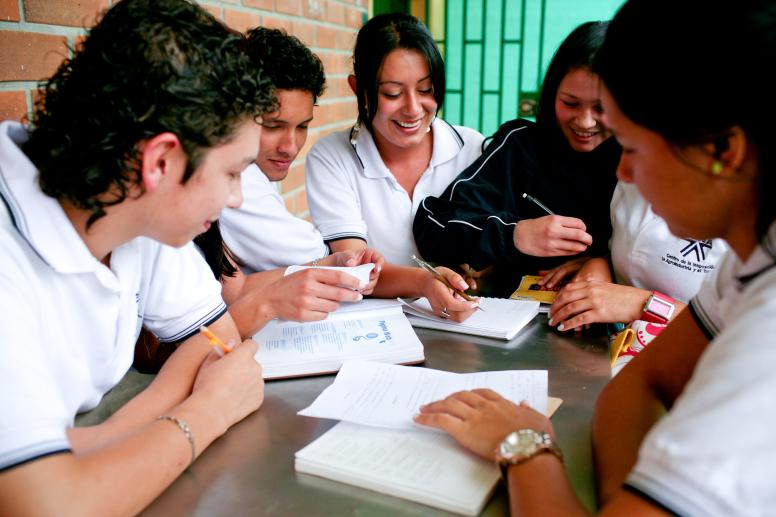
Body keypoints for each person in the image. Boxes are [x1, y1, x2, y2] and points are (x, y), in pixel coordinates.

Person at [414, 0, 776, 514]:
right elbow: (636, 385)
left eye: (631, 146)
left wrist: (524, 446)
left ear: (724, 151)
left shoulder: (765, 339)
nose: (622, 177)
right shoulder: (750, 263)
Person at [0, 0, 274, 513]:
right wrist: (207, 412)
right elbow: (48, 508)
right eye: (234, 173)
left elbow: (216, 340)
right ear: (162, 160)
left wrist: (99, 441)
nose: (236, 198)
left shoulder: (137, 210)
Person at [194, 27, 382, 337]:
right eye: (273, 126)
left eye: (302, 126)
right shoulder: (231, 180)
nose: (291, 146)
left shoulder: (240, 176)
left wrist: (330, 262)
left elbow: (235, 286)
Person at [413, 21, 621, 297]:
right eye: (570, 103)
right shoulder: (521, 145)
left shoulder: (643, 160)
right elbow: (434, 223)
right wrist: (515, 235)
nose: (585, 121)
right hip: (511, 321)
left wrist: (603, 262)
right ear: (550, 94)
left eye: (602, 108)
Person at [304, 13, 484, 321]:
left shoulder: (472, 149)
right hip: (378, 333)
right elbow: (356, 270)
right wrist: (425, 281)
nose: (413, 108)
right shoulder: (332, 158)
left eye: (426, 90)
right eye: (392, 93)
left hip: (471, 325)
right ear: (358, 88)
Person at [546, 181, 728, 332]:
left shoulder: (746, 216)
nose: (622, 171)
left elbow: (739, 336)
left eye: (635, 151)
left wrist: (642, 305)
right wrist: (601, 265)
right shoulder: (632, 177)